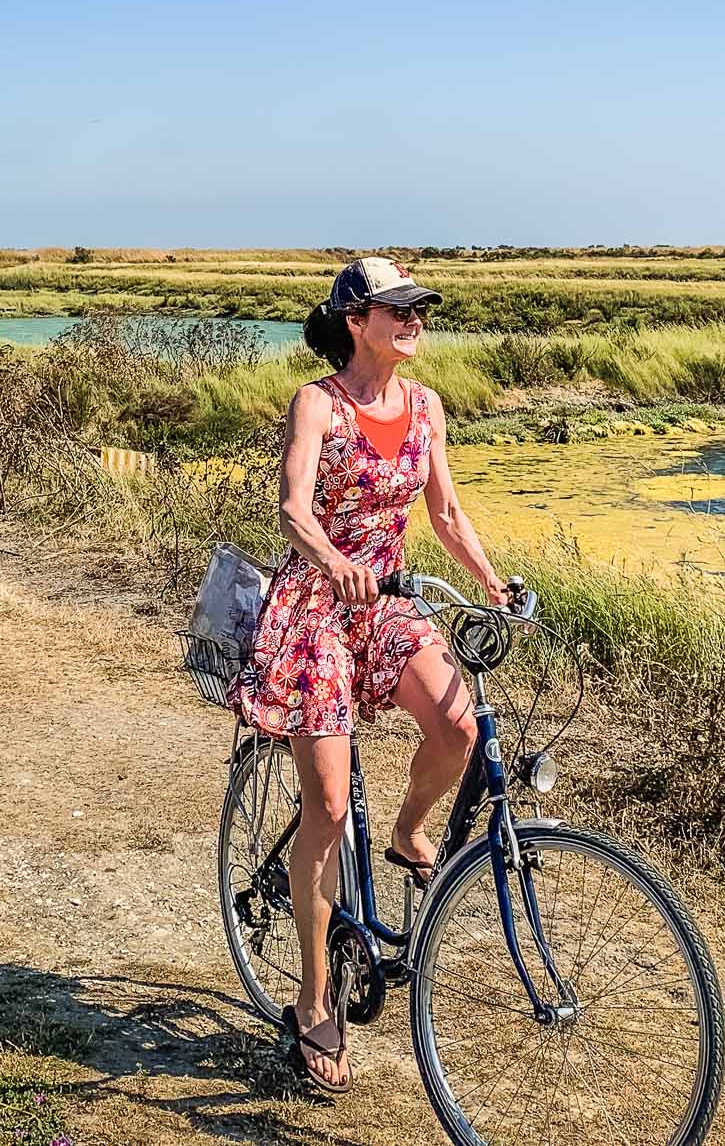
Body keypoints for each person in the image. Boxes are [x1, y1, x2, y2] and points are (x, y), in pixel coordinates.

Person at [226, 256, 506, 1095]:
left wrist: (495, 586)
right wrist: (331, 559)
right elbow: (293, 508)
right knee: (329, 803)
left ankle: (410, 832)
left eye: (421, 308)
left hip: (388, 601)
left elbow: (447, 513)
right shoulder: (318, 402)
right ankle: (315, 999)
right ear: (358, 320)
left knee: (458, 726)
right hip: (318, 604)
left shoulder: (426, 406)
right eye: (398, 309)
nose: (415, 319)